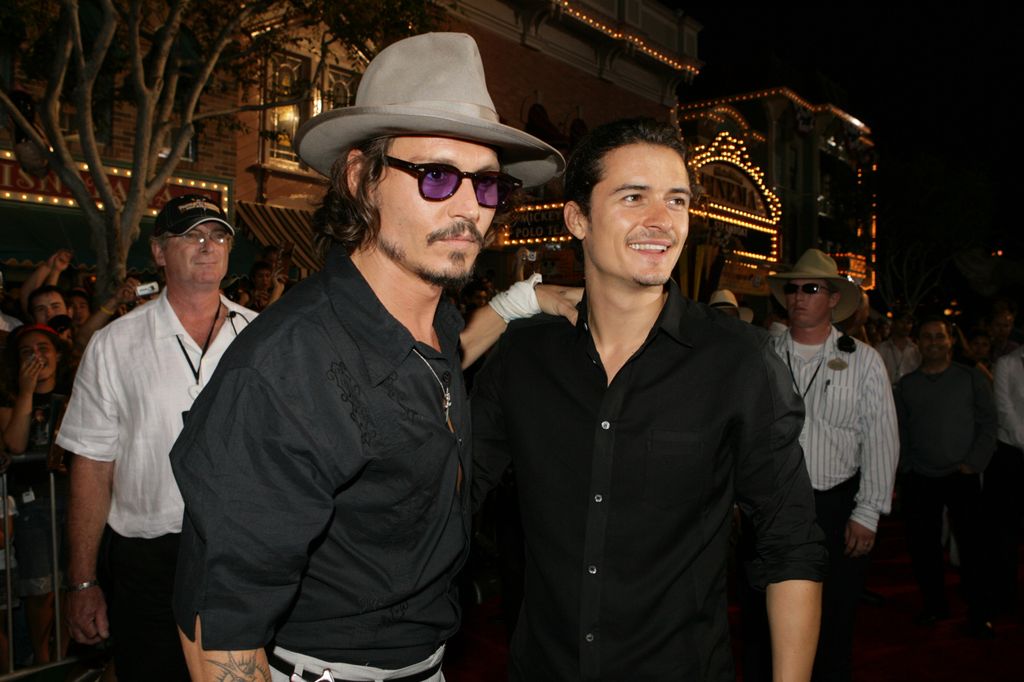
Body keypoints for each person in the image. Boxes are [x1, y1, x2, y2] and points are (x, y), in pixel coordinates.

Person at [169, 33, 569, 682]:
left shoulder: (435, 321)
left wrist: (527, 299)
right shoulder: (286, 372)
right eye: (437, 176)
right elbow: (221, 636)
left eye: (488, 184)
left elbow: (430, 371)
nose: (469, 207)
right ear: (361, 178)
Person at [472, 118, 826, 681]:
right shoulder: (524, 355)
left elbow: (791, 544)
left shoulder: (738, 360)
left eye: (676, 200)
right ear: (577, 218)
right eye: (634, 197)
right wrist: (509, 307)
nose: (662, 220)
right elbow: (448, 491)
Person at [55, 195, 255, 681]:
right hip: (149, 561)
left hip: (245, 551)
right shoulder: (115, 344)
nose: (208, 246)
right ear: (160, 252)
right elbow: (91, 465)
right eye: (192, 235)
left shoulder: (262, 335)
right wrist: (82, 582)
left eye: (218, 235)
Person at [765, 249, 898, 681]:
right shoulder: (764, 354)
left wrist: (867, 512)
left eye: (811, 288)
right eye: (793, 288)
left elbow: (881, 438)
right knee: (766, 622)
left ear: (834, 299)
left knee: (835, 621)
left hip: (835, 507)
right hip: (774, 507)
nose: (799, 296)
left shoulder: (864, 360)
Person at [895, 316, 996, 636]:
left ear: (951, 340)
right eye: (927, 337)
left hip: (961, 474)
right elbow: (900, 431)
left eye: (939, 336)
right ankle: (934, 605)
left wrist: (974, 463)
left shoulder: (971, 378)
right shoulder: (907, 386)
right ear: (918, 343)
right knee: (923, 547)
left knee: (973, 547)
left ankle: (979, 612)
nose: (934, 342)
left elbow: (988, 423)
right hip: (920, 477)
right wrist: (906, 467)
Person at [0, 324, 73, 664]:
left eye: (43, 348)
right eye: (27, 352)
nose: (37, 357)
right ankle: (43, 661)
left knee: (71, 583)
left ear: (58, 353)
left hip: (71, 497)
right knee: (41, 587)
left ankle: (64, 655)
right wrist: (27, 392)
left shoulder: (74, 392)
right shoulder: (9, 398)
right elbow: (15, 444)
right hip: (33, 502)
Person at [987, 344, 1024, 615]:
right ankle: (1005, 593)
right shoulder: (1007, 363)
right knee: (1007, 529)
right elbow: (1004, 409)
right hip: (1011, 455)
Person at [876, 309, 920, 385]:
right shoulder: (881, 349)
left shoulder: (916, 350)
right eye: (902, 322)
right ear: (893, 324)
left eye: (909, 323)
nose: (905, 326)